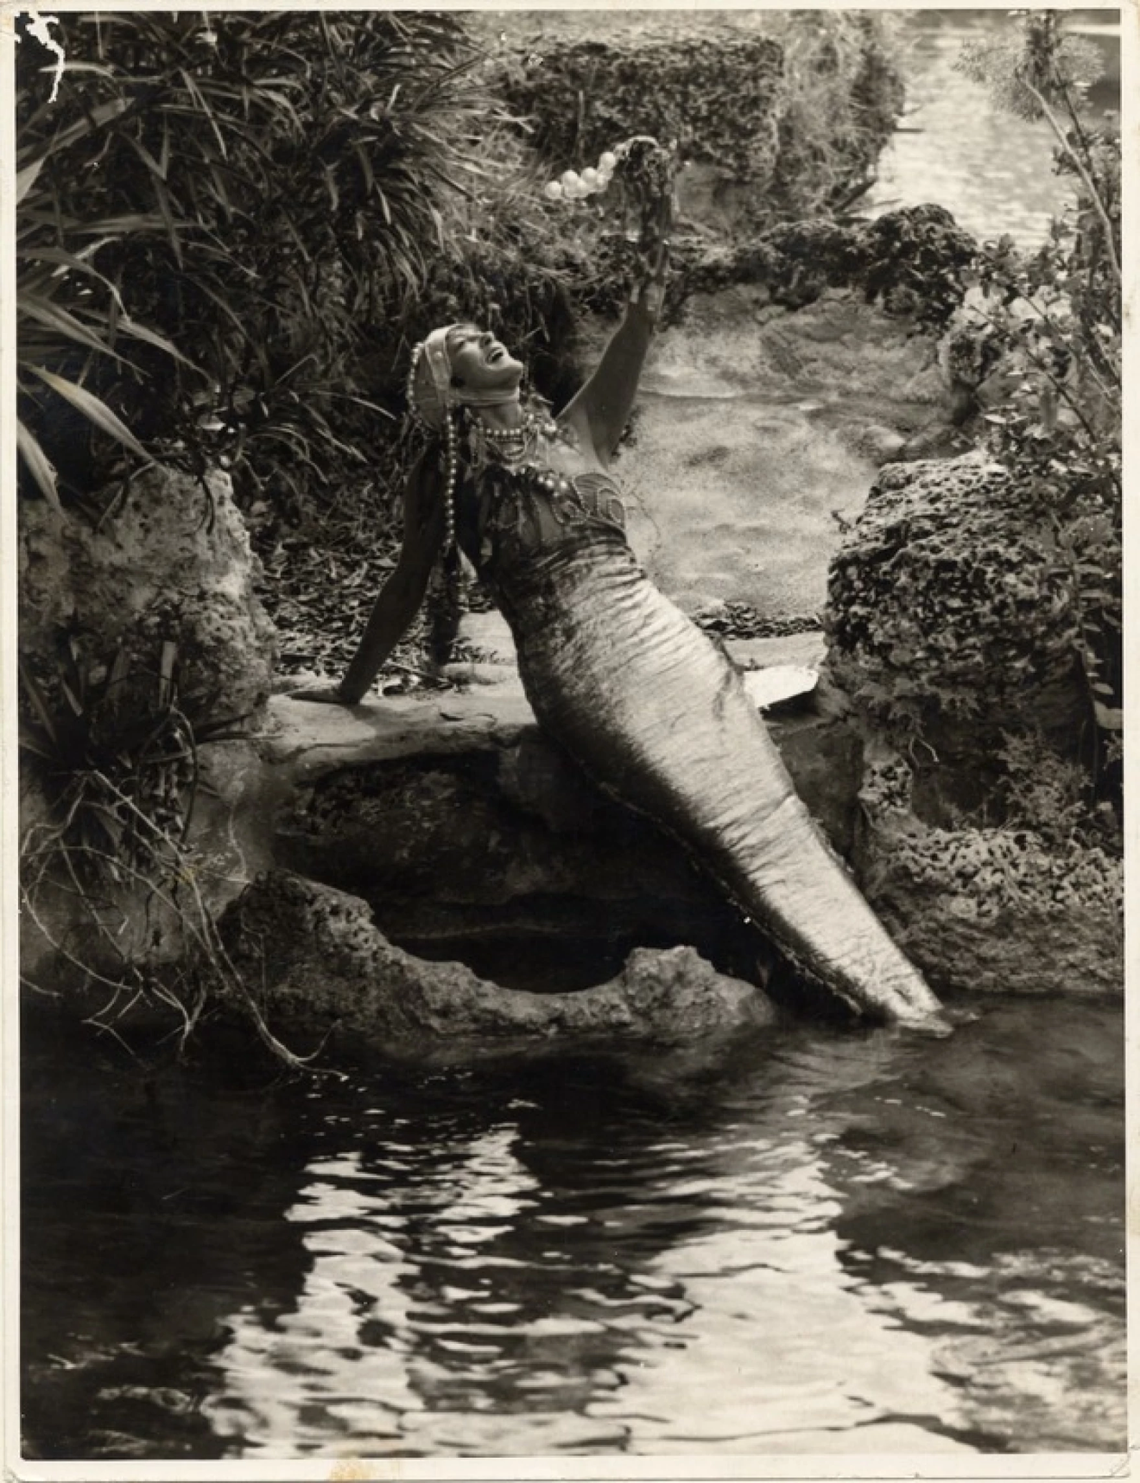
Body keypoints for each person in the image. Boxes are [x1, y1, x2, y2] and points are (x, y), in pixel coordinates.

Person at [294, 254, 947, 1031]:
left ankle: (906, 999)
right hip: (583, 671)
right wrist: (349, 691)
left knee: (774, 818)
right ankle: (885, 1006)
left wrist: (647, 274)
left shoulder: (578, 428)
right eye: (468, 342)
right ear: (456, 389)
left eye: (487, 331)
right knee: (730, 834)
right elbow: (405, 587)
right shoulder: (451, 476)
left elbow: (635, 334)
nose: (491, 338)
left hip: (668, 644)